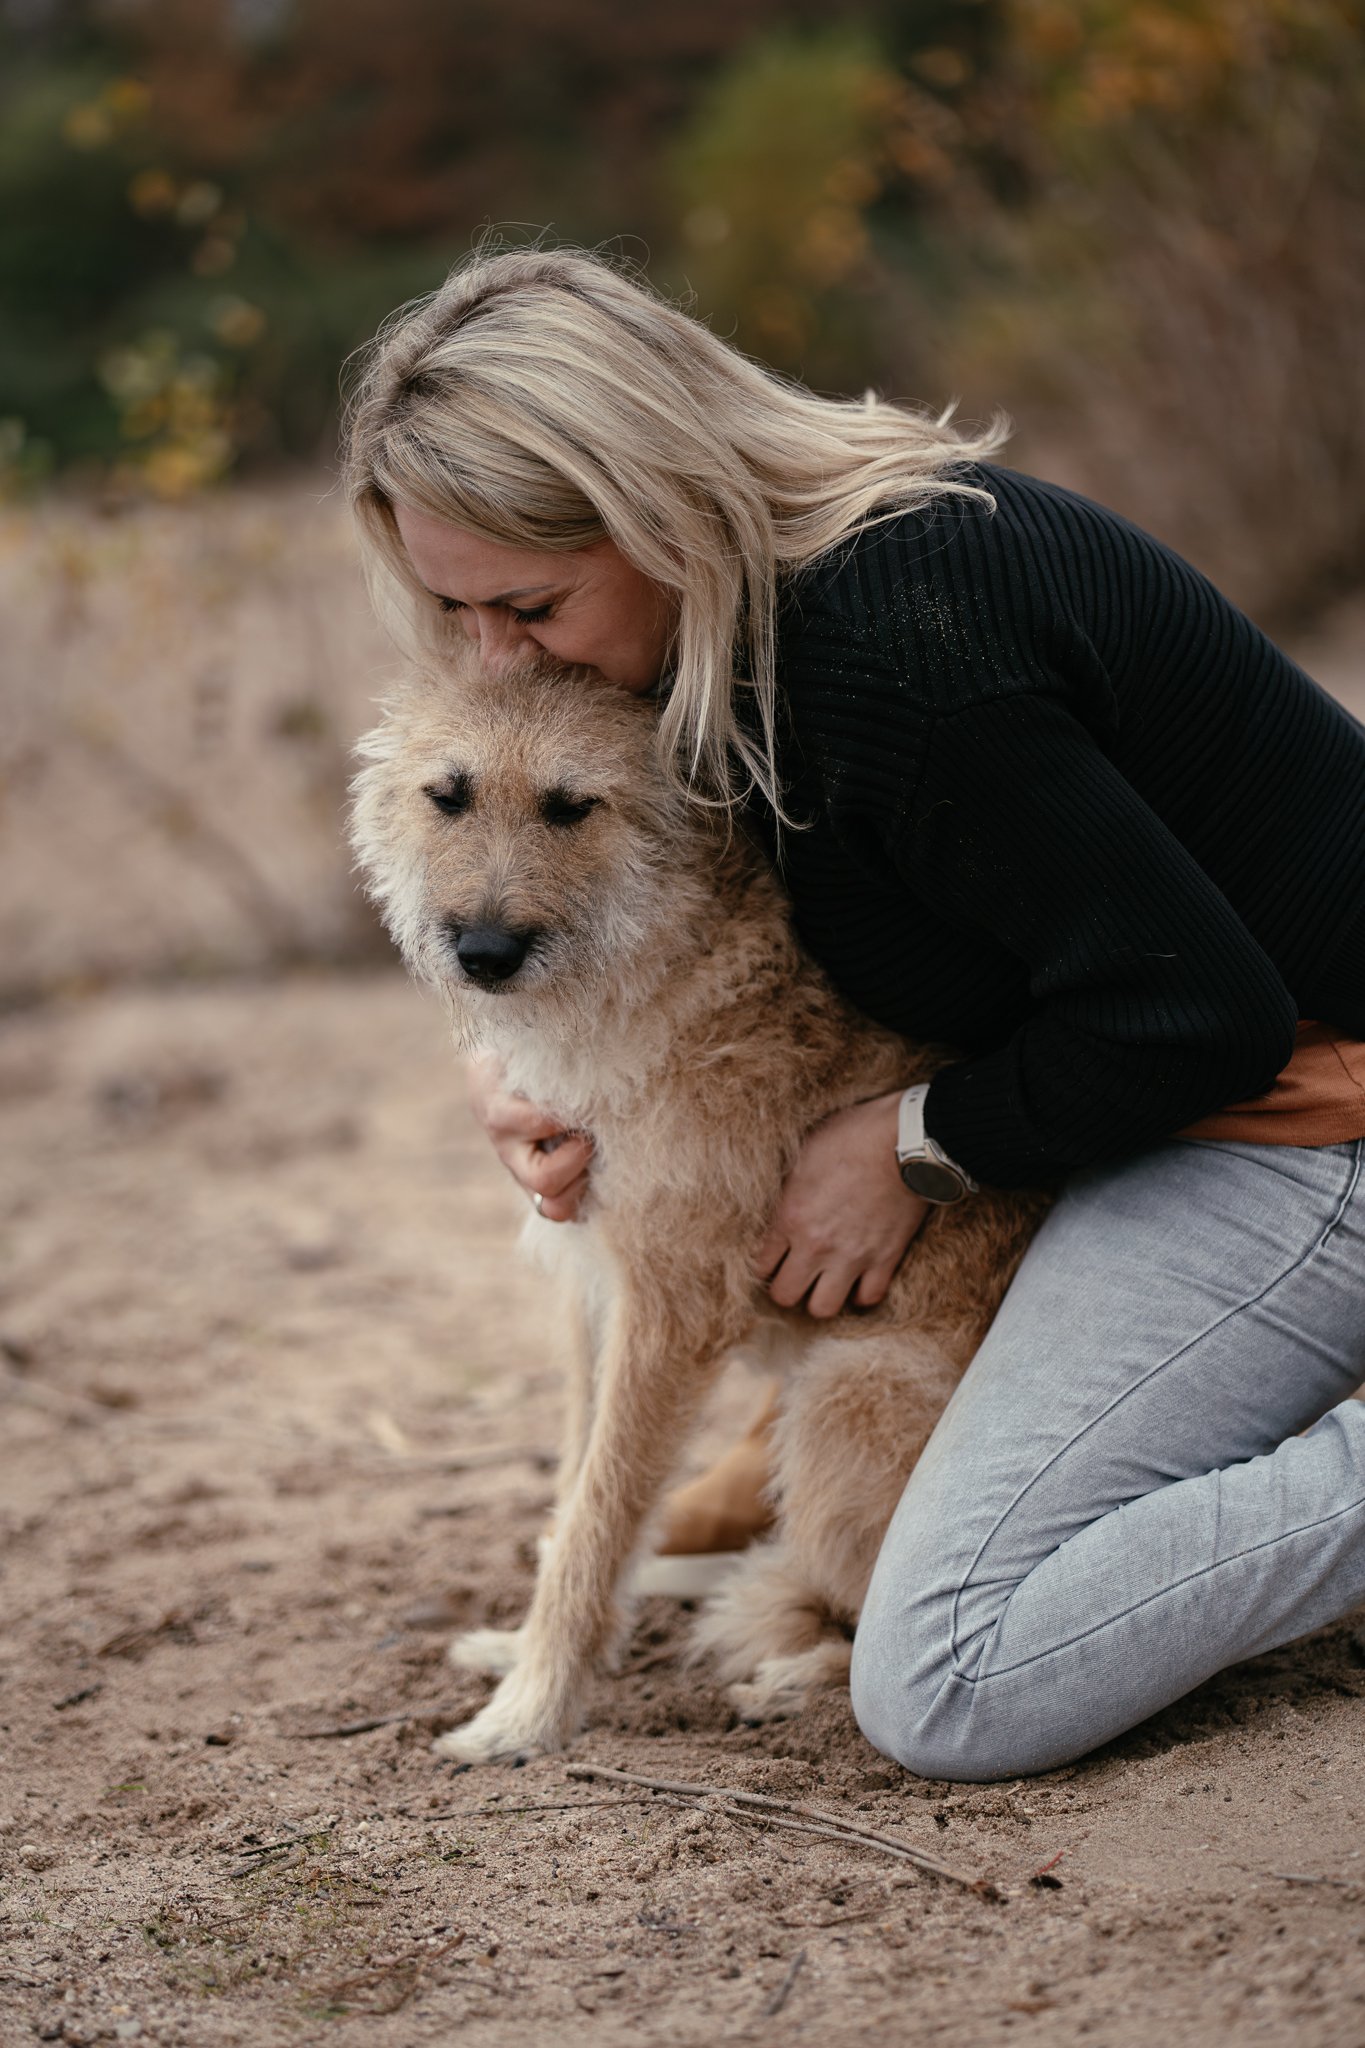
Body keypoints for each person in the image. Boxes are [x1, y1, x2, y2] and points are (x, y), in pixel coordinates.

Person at [342, 243, 1365, 1781]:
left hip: (1304, 1118)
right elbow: (729, 963)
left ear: (659, 506)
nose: (495, 657)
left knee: (951, 1679)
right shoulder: (732, 647)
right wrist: (532, 1076)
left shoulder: (895, 646)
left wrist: (916, 1143)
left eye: (531, 603)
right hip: (1154, 1118)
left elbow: (1199, 1014)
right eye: (456, 610)